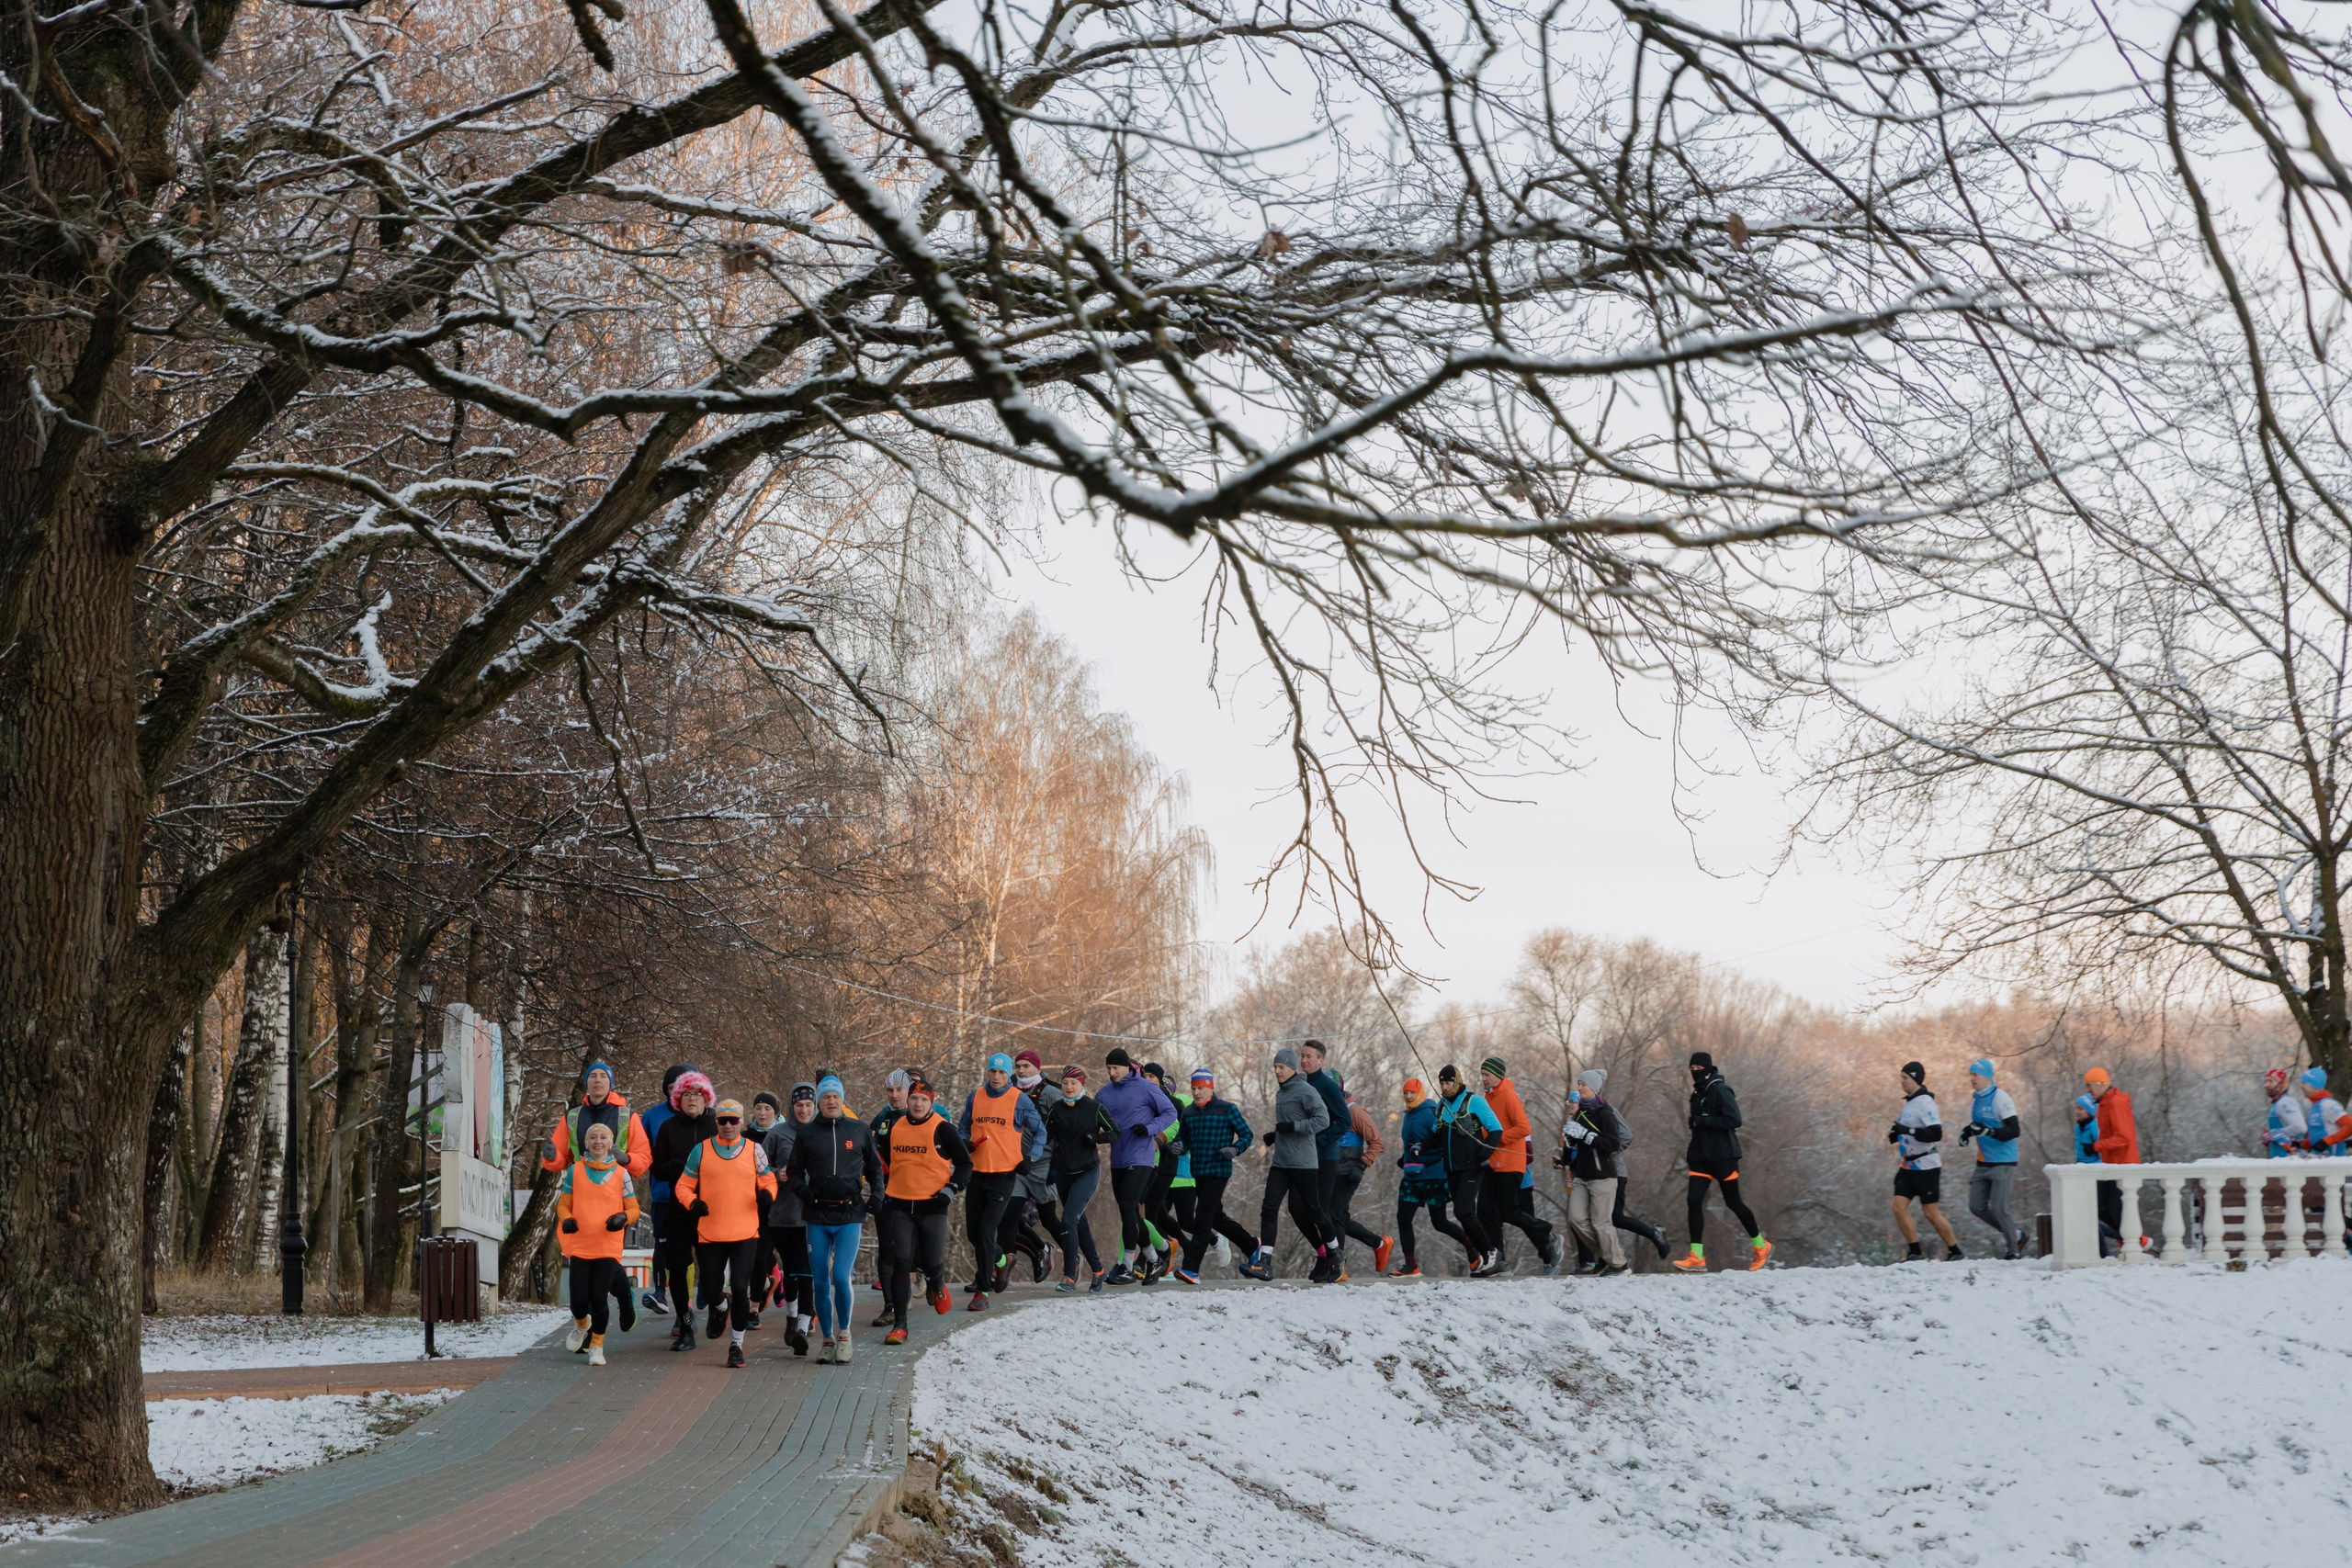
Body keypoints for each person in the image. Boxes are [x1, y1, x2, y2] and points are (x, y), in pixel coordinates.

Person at [541, 1060, 648, 1331]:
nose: (597, 1080)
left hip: (613, 1194)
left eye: (603, 1076)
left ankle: (623, 1299)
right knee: (586, 1262)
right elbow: (560, 1157)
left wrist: (627, 1158)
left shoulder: (627, 1115)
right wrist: (550, 1157)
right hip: (581, 1192)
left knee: (605, 1259)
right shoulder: (573, 1116)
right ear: (586, 1083)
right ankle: (592, 1322)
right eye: (592, 1076)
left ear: (610, 1083)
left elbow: (644, 1158)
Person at [786, 1074, 883, 1363]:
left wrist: (876, 1195)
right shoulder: (807, 1133)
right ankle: (827, 1338)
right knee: (819, 1282)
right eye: (826, 1097)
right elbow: (793, 1171)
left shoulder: (860, 1129)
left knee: (840, 1277)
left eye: (835, 1097)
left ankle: (844, 1334)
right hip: (816, 1215)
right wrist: (803, 1190)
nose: (831, 1101)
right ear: (819, 1101)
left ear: (842, 1100)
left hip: (849, 1214)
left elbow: (876, 1168)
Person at [673, 1097, 776, 1369]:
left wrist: (767, 1194)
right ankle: (720, 1307)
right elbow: (683, 1186)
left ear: (741, 1122)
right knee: (709, 1289)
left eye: (733, 1120)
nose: (728, 1125)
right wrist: (692, 1202)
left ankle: (736, 1345)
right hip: (710, 1233)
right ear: (716, 1122)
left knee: (741, 1288)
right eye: (722, 1120)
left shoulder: (754, 1150)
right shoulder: (701, 1151)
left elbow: (769, 1180)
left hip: (745, 1231)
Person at [879, 1072, 972, 1346]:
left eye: (923, 1100)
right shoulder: (895, 1126)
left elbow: (966, 1165)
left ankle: (937, 1282)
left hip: (933, 1205)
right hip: (898, 1203)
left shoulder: (943, 1128)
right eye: (914, 1099)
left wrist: (951, 1189)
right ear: (907, 1101)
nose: (918, 1104)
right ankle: (900, 1325)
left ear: (931, 1102)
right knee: (901, 1261)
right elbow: (880, 1159)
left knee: (931, 1261)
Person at [956, 1051, 1049, 1307]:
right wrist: (965, 1142)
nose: (996, 1077)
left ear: (1008, 1075)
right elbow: (963, 1126)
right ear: (987, 1072)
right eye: (993, 1071)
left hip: (1004, 1175)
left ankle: (982, 1292)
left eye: (1002, 1072)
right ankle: (1002, 1261)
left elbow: (1040, 1131)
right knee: (974, 1235)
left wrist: (1030, 1157)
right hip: (977, 1174)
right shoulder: (976, 1096)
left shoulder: (1018, 1099)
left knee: (987, 1231)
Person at [1675, 1052, 1770, 1272]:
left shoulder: (1720, 1089)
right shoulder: (1697, 1093)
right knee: (1693, 1202)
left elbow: (1734, 1120)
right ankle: (1696, 1257)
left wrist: (1704, 1121)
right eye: (1692, 1067)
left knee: (1733, 1202)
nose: (1695, 1071)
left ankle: (1760, 1245)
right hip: (1700, 1158)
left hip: (1723, 1157)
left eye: (1699, 1067)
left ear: (1708, 1068)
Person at [558, 1120, 640, 1366]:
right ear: (586, 1143)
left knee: (598, 1297)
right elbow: (563, 1204)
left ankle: (597, 1346)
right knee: (578, 1302)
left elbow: (634, 1208)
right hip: (581, 1243)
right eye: (593, 1137)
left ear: (610, 1143)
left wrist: (623, 1218)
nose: (598, 1142)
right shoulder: (576, 1170)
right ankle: (582, 1324)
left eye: (603, 1138)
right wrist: (567, 1219)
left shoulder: (622, 1173)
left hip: (608, 1245)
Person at [1250, 1045, 1335, 1280]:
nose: (1277, 1071)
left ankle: (1335, 1253)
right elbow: (1289, 1122)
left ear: (1291, 1068)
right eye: (1275, 1067)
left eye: (1281, 1067)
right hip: (1281, 1163)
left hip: (1304, 1163)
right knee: (1269, 1208)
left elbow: (1323, 1120)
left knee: (1315, 1212)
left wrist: (1292, 1128)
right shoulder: (1281, 1092)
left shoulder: (1305, 1090)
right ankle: (1265, 1262)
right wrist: (1276, 1135)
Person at [1097, 1047, 1180, 1283]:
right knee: (1129, 1212)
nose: (1112, 1072)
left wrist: (1150, 1129)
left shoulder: (1146, 1087)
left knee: (1127, 1205)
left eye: (1116, 1068)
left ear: (1127, 1067)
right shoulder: (1104, 1093)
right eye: (1109, 1068)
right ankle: (1154, 1258)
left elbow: (1170, 1112)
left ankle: (1127, 1266)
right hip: (1118, 1159)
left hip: (1141, 1158)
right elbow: (1095, 1120)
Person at [649, 1068, 718, 1346]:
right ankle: (686, 1326)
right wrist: (673, 1167)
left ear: (706, 1098)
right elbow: (657, 1167)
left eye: (697, 1094)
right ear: (677, 1099)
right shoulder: (669, 1128)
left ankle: (717, 1308)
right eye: (686, 1094)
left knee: (711, 1269)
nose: (692, 1099)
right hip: (678, 1209)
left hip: (711, 1210)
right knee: (677, 1267)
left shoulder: (716, 1126)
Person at [1174, 1067, 1256, 1281]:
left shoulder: (1227, 1109)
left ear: (1210, 1088)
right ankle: (1252, 1245)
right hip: (1198, 1172)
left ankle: (1191, 1268)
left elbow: (1247, 1134)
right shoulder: (1188, 1112)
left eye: (1200, 1088)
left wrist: (1235, 1149)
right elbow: (1184, 1140)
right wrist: (1178, 1147)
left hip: (1219, 1170)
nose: (1196, 1093)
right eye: (1193, 1088)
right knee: (1216, 1217)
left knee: (1202, 1218)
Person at [1478, 1057, 1559, 1273]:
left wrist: (1499, 1138)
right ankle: (1497, 1260)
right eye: (1482, 1075)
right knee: (1485, 1212)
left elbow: (1523, 1127)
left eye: (1487, 1074)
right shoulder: (1487, 1098)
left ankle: (1548, 1234)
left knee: (1509, 1212)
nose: (1483, 1079)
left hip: (1510, 1163)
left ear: (1498, 1075)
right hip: (1492, 1163)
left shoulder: (1508, 1095)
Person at [1045, 1066, 1116, 1290]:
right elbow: (1045, 1134)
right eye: (1065, 1082)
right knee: (1078, 1224)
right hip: (1063, 1173)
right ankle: (1098, 1270)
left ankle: (1069, 1276)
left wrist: (1095, 1137)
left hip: (1087, 1172)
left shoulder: (1094, 1107)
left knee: (1067, 1220)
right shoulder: (1056, 1108)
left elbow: (1116, 1132)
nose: (1068, 1087)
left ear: (1082, 1084)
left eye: (1073, 1083)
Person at [762, 1083, 818, 1355]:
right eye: (799, 1105)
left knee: (807, 1272)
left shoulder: (824, 1131)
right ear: (792, 1107)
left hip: (814, 1217)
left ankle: (802, 1330)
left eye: (809, 1105)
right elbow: (758, 1169)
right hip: (783, 1216)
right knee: (792, 1272)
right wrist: (776, 1174)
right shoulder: (777, 1134)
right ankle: (792, 1316)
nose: (804, 1110)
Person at [637, 1063, 696, 1314]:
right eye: (672, 1089)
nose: (678, 1094)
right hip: (663, 1192)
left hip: (698, 1196)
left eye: (682, 1089)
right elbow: (639, 1149)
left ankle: (693, 1298)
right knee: (663, 1244)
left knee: (694, 1248)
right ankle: (661, 1294)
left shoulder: (706, 1117)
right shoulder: (652, 1116)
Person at [1558, 1068, 1630, 1275]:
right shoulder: (1580, 1112)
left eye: (1584, 1085)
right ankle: (1609, 1256)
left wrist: (1588, 1136)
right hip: (1582, 1176)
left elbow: (1614, 1143)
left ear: (1594, 1088)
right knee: (1576, 1219)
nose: (1579, 1088)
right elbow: (1577, 1145)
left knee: (1601, 1223)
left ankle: (1618, 1264)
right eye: (1579, 1084)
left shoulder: (1605, 1113)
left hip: (1603, 1177)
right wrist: (1571, 1140)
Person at [1394, 1077, 1468, 1276]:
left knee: (1440, 1222)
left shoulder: (1430, 1114)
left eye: (1412, 1093)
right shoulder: (1407, 1115)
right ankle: (1411, 1265)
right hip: (1412, 1176)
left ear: (1420, 1094)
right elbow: (1412, 1143)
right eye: (1405, 1093)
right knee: (1403, 1218)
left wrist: (1424, 1160)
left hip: (1433, 1176)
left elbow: (1442, 1146)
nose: (1409, 1096)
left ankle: (1473, 1248)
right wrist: (1405, 1158)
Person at [1434, 1064, 1502, 1275]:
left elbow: (1495, 1130)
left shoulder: (1474, 1102)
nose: (1445, 1087)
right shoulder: (1441, 1106)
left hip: (1473, 1167)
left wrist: (1484, 1156)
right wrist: (1421, 1146)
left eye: (1448, 1082)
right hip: (1452, 1169)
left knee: (1462, 1211)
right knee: (1466, 1214)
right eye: (1442, 1083)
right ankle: (1486, 1257)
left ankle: (1491, 1252)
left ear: (1457, 1081)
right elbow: (1438, 1136)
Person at [1889, 1062, 1960, 1261]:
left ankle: (1955, 1251)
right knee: (1897, 1208)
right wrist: (1897, 1135)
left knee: (1930, 1213)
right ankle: (1914, 1251)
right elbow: (1907, 1129)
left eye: (1905, 1078)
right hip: (1908, 1165)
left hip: (1926, 1166)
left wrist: (1908, 1132)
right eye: (1901, 1077)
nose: (1901, 1081)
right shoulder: (1909, 1103)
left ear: (1916, 1079)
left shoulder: (1926, 1103)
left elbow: (1935, 1133)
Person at [1959, 1057, 2023, 1258]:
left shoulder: (2000, 1098)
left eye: (1975, 1074)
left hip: (2003, 1162)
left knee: (2000, 1208)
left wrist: (1990, 1132)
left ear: (1987, 1076)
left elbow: (2014, 1130)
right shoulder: (1978, 1097)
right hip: (1983, 1161)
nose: (1971, 1078)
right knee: (1976, 1207)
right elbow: (1978, 1125)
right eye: (1970, 1074)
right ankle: (2016, 1234)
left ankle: (2014, 1251)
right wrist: (1966, 1133)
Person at [1009, 1050, 1064, 1282]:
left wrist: (1057, 1167)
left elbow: (1066, 1128)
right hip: (1016, 1165)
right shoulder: (1008, 1092)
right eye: (1018, 1066)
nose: (1021, 1070)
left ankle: (1077, 1259)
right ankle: (996, 1272)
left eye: (1027, 1066)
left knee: (1049, 1218)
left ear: (1038, 1069)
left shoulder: (1051, 1093)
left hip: (1044, 1164)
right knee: (1005, 1218)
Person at [1329, 1085, 1393, 1279]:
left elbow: (1377, 1142)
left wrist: (1362, 1165)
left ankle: (1338, 1267)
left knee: (1335, 1214)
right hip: (1330, 1171)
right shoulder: (1326, 1109)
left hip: (1350, 1172)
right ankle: (1379, 1244)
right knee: (1335, 1216)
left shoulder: (1355, 1111)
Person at [868, 1069, 912, 1325]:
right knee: (887, 1248)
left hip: (914, 1193)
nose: (895, 1095)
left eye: (899, 1090)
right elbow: (867, 1148)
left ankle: (930, 1279)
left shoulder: (919, 1115)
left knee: (909, 1250)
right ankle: (890, 1306)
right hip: (886, 1191)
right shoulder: (882, 1117)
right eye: (890, 1090)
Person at [2084, 1066, 2140, 1243]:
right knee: (2101, 1208)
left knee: (2116, 1211)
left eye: (2089, 1085)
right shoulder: (2104, 1105)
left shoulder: (2116, 1103)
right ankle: (2135, 1241)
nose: (2087, 1090)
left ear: (2101, 1084)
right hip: (2110, 1166)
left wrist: (2096, 1146)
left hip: (2123, 1166)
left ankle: (2137, 1242)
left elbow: (2124, 1137)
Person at [746, 1090, 783, 1325]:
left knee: (760, 1255)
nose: (762, 1113)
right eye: (758, 1108)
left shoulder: (783, 1134)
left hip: (777, 1204)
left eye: (767, 1109)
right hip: (747, 1204)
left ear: (775, 1112)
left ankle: (753, 1308)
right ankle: (768, 1284)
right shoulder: (744, 1136)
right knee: (753, 1256)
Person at [2303, 1066, 2351, 1154]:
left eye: (2304, 1083)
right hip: (2321, 1162)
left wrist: (2327, 1142)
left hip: (2334, 1161)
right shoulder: (2314, 1106)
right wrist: (2302, 1144)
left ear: (2314, 1085)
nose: (2301, 1086)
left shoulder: (2328, 1104)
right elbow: (2319, 1137)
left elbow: (2350, 1126)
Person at [2265, 1067, 2309, 1156]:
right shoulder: (2280, 1102)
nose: (2266, 1085)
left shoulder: (2284, 1103)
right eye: (2265, 1082)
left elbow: (2301, 1128)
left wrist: (2272, 1134)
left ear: (2281, 1084)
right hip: (2282, 1160)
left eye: (2271, 1081)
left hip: (2288, 1159)